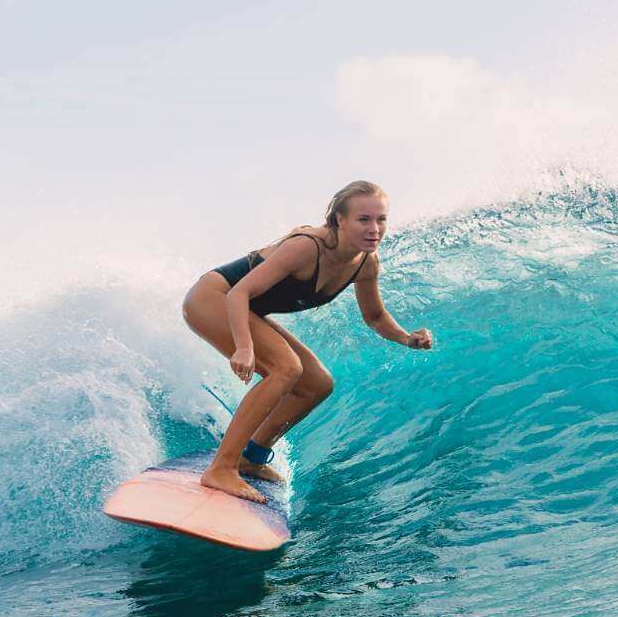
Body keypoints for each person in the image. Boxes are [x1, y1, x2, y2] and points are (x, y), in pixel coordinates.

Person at [181, 180, 433, 503]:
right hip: (214, 298)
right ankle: (221, 467)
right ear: (340, 220)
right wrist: (244, 347)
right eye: (364, 219)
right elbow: (239, 292)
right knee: (286, 368)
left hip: (244, 308)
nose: (375, 229)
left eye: (381, 219)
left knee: (317, 383)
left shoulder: (365, 263)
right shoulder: (307, 247)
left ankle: (251, 457)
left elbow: (375, 317)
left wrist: (407, 339)